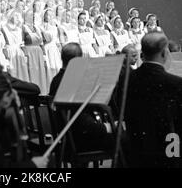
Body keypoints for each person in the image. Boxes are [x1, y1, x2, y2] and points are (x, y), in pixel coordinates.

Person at [125, 32, 182, 167]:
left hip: (136, 149)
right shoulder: (176, 83)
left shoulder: (128, 79)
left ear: (142, 54)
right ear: (164, 53)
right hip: (169, 150)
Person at [49, 43, 113, 157]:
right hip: (81, 140)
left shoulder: (56, 80)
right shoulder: (75, 81)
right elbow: (82, 121)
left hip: (65, 137)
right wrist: (106, 127)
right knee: (126, 139)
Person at [22, 10, 48, 94]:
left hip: (38, 53)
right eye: (29, 16)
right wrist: (24, 54)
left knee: (40, 73)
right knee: (32, 72)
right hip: (29, 52)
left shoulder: (37, 27)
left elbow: (41, 42)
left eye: (33, 16)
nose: (32, 17)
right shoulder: (23, 28)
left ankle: (42, 92)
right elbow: (21, 42)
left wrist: (44, 54)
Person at [2, 11, 30, 82]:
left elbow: (22, 43)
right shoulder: (4, 28)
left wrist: (25, 54)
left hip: (19, 53)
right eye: (15, 16)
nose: (17, 18)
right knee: (12, 72)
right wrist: (6, 55)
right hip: (10, 52)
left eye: (18, 16)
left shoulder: (19, 29)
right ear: (10, 16)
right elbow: (3, 44)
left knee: (21, 73)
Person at [40, 9, 62, 86]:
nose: (49, 17)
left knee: (57, 66)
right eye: (47, 15)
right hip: (47, 49)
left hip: (54, 49)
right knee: (49, 68)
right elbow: (42, 41)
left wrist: (60, 50)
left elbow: (57, 40)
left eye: (51, 15)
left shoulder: (55, 27)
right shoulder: (41, 27)